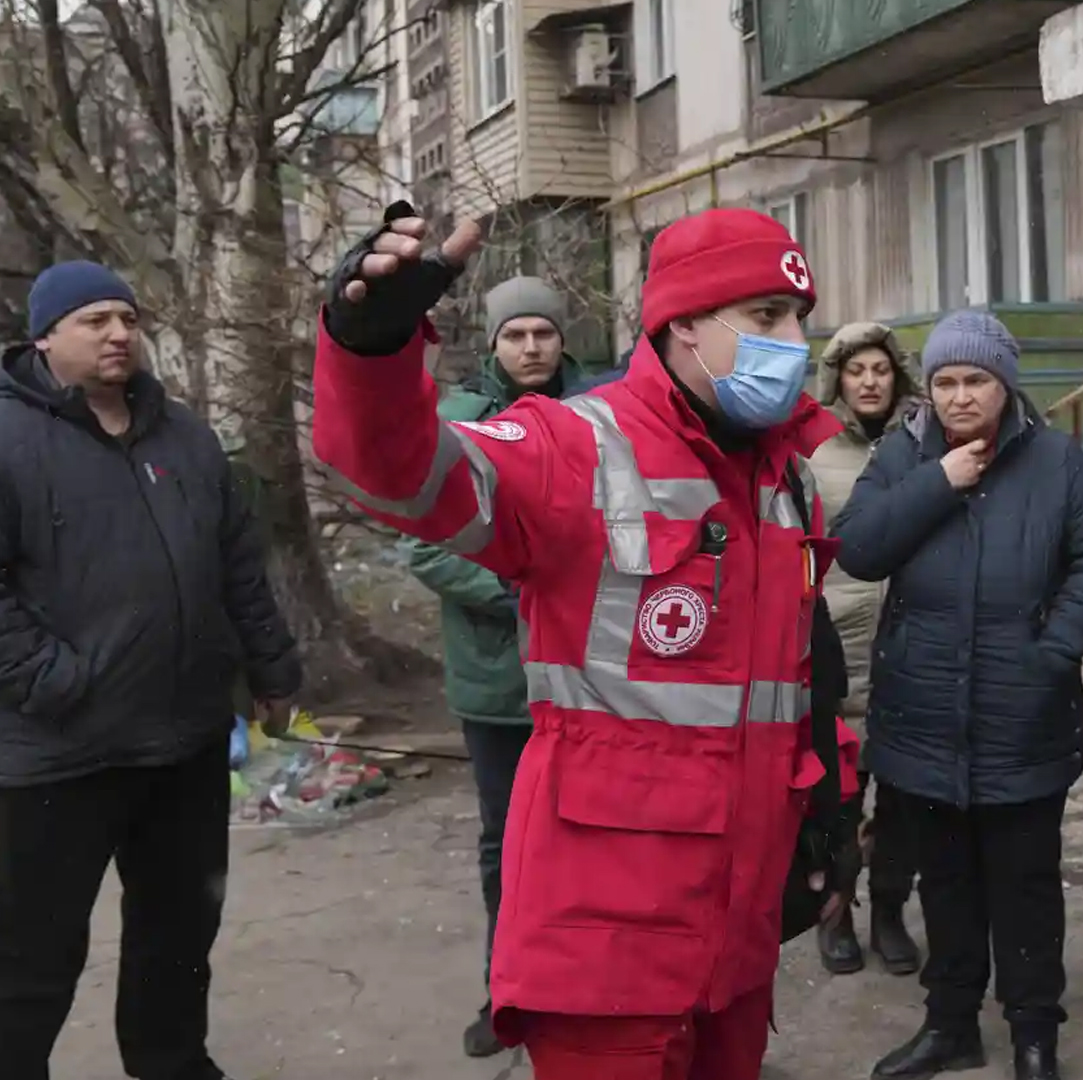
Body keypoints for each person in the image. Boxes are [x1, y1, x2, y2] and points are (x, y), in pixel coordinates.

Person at [309, 204, 858, 1080]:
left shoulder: (783, 479)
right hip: (603, 946)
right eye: (765, 318)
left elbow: (795, 682)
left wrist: (831, 810)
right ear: (682, 323)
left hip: (738, 937)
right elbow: (403, 475)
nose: (794, 341)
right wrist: (370, 349)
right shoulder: (574, 445)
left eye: (797, 316)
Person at [0, 261, 302, 1080]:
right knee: (33, 955)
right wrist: (51, 682)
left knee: (179, 932)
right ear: (45, 336)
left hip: (185, 741)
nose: (118, 333)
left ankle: (172, 1062)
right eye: (94, 319)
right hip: (57, 753)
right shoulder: (10, 436)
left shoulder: (184, 435)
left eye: (127, 318)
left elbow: (240, 565)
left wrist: (272, 670)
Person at [832, 309, 1083, 1080]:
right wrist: (939, 480)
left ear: (1006, 384)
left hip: (1022, 713)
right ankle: (951, 1024)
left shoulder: (1058, 462)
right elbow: (858, 549)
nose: (959, 398)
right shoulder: (904, 454)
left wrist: (1053, 652)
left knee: (1026, 887)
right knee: (947, 883)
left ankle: (1035, 1034)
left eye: (976, 381)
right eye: (944, 383)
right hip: (923, 714)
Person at [399, 275, 588, 1058]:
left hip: (591, 674)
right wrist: (522, 590)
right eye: (516, 336)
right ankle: (505, 988)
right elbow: (423, 545)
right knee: (505, 841)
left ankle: (584, 989)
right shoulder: (457, 425)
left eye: (543, 333)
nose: (532, 348)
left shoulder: (598, 416)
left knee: (589, 839)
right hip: (500, 680)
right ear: (495, 343)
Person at [808, 320, 924, 977]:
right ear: (839, 381)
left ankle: (888, 913)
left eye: (881, 370)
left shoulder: (921, 445)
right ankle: (836, 915)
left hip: (908, 650)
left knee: (905, 805)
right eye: (857, 372)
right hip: (837, 647)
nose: (870, 382)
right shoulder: (813, 451)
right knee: (837, 802)